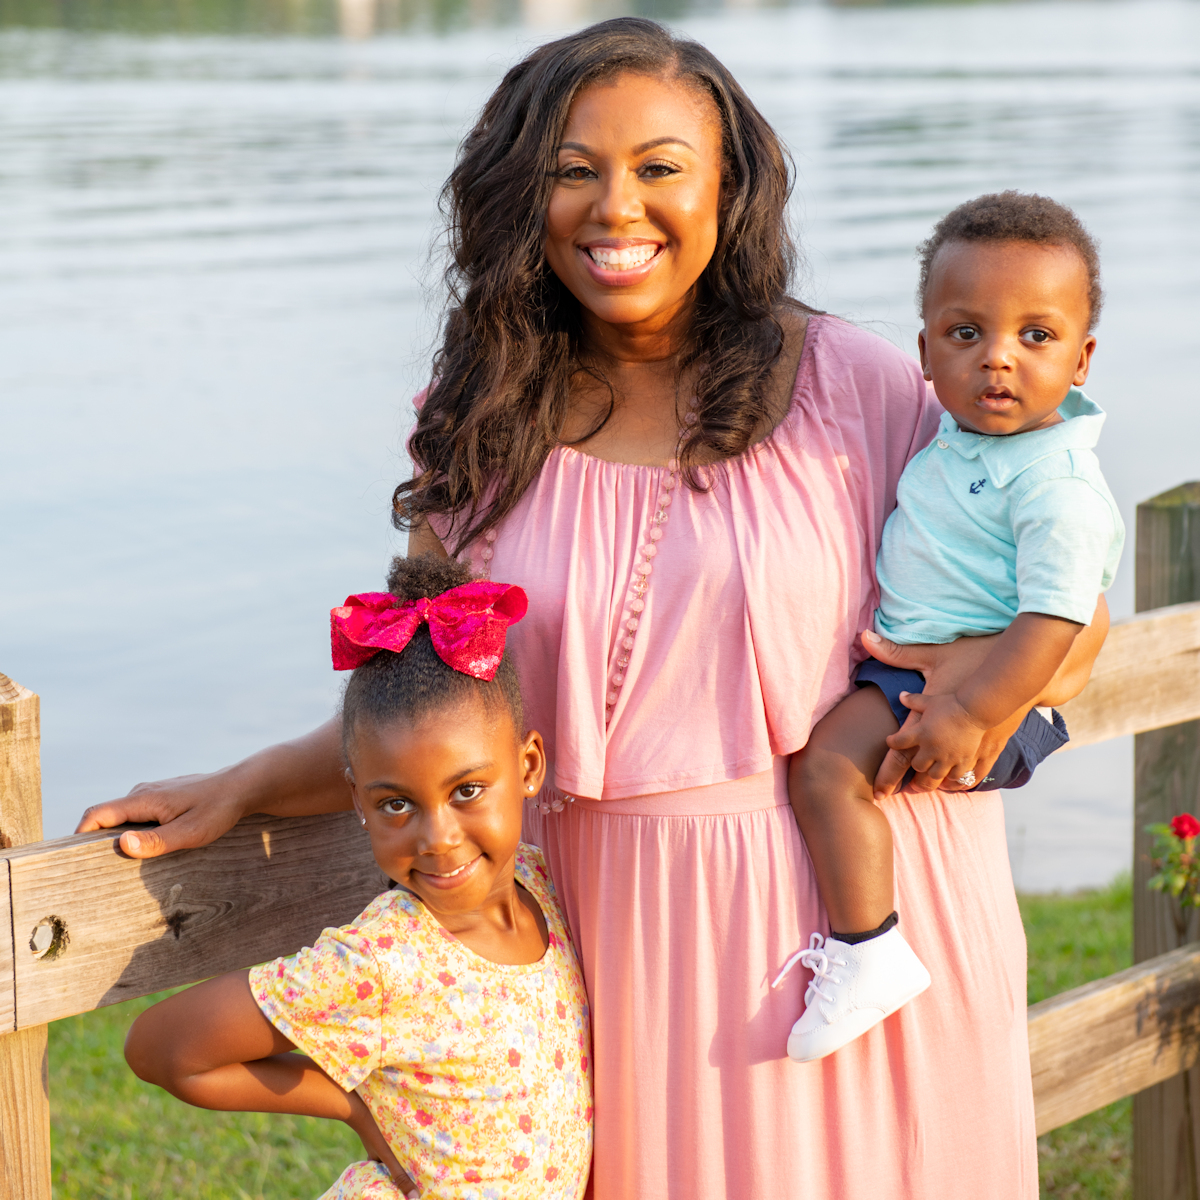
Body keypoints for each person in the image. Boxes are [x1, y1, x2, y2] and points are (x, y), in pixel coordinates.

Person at [84, 19, 1112, 1198]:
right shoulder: (476, 424)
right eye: (575, 170)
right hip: (617, 935)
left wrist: (987, 690)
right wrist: (245, 786)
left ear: (729, 187)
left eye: (660, 167)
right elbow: (438, 703)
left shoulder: (861, 386)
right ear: (524, 193)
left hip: (865, 921)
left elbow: (1061, 622)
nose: (617, 207)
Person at [123, 557, 593, 1200]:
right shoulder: (381, 963)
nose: (438, 837)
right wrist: (351, 1102)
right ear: (358, 802)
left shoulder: (546, 888)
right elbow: (161, 1049)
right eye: (396, 804)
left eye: (469, 790)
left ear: (530, 766)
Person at [778, 192, 1124, 1063]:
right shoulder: (962, 440)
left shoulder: (1057, 483)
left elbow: (1058, 619)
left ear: (1081, 359)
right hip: (937, 679)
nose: (998, 360)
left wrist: (972, 712)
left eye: (1035, 338)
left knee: (825, 772)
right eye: (966, 335)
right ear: (926, 351)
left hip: (969, 694)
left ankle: (869, 952)